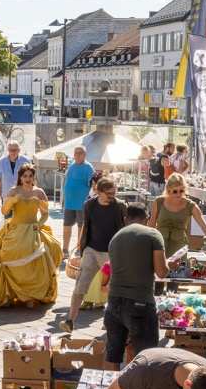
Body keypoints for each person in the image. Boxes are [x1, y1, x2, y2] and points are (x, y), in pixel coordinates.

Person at [0, 163, 62, 308]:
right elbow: (4, 212)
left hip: (33, 230)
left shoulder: (39, 192)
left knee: (45, 254)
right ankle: (10, 294)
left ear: (33, 177)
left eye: (30, 176)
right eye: (25, 176)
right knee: (6, 256)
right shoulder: (13, 190)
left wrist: (39, 224)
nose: (28, 179)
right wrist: (12, 200)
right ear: (20, 177)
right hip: (15, 229)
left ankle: (31, 296)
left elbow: (45, 214)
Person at [104, 203, 169, 368]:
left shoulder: (115, 237)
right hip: (140, 302)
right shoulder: (153, 234)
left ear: (126, 219)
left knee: (114, 355)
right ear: (147, 218)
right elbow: (161, 272)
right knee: (147, 356)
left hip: (114, 302)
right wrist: (170, 265)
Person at [64, 176, 126, 335]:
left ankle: (110, 322)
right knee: (80, 286)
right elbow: (86, 227)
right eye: (109, 193)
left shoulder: (120, 206)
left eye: (114, 193)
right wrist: (81, 248)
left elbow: (124, 229)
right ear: (98, 192)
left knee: (113, 289)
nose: (112, 196)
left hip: (111, 253)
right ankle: (70, 320)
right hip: (91, 249)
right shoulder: (89, 205)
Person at [149, 173, 206, 258]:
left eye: (182, 191)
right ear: (168, 190)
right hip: (160, 245)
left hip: (179, 248)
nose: (178, 194)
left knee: (179, 270)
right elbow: (151, 224)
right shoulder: (159, 202)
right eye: (175, 191)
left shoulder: (190, 205)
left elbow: (204, 226)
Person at [61, 146, 95, 260]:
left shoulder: (88, 168)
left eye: (80, 153)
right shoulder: (71, 166)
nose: (78, 155)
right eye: (76, 153)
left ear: (85, 155)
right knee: (66, 226)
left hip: (82, 204)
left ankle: (79, 249)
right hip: (69, 203)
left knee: (81, 227)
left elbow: (93, 186)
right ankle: (65, 249)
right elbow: (67, 182)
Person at [0, 141, 29, 206]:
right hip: (7, 196)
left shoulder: (26, 161)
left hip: (22, 196)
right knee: (8, 216)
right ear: (8, 150)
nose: (12, 152)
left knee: (21, 216)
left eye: (14, 150)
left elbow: (31, 178)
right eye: (10, 150)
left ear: (19, 150)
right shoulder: (1, 162)